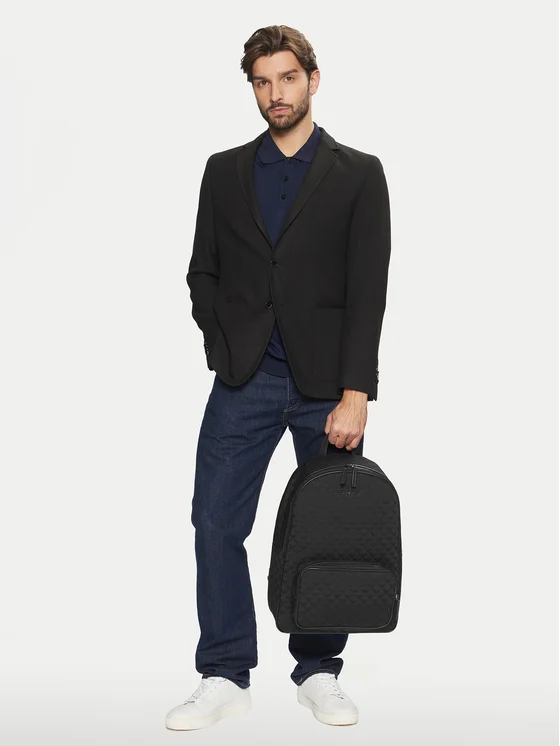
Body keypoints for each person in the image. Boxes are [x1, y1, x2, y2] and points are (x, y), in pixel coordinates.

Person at [165, 24, 391, 731]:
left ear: (312, 80)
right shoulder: (224, 171)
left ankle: (319, 670)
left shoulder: (359, 174)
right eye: (262, 82)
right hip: (246, 379)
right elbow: (203, 271)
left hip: (328, 387)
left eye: (287, 78)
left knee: (327, 530)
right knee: (214, 522)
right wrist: (223, 344)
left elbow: (367, 291)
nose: (275, 94)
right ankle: (224, 672)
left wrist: (356, 392)